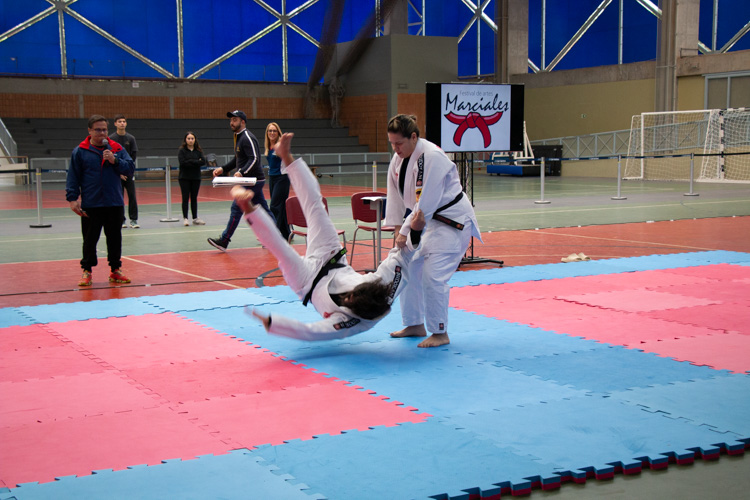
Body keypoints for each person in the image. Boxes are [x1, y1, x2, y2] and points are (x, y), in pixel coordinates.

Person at [242, 132, 426, 341]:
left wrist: (272, 323)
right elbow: (403, 258)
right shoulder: (384, 286)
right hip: (332, 258)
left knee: (281, 250)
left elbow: (310, 332)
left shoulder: (353, 323)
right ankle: (286, 156)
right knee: (315, 206)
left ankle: (247, 208)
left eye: (349, 301)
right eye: (353, 293)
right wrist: (416, 230)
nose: (347, 296)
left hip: (306, 281)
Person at [384, 114, 482, 348]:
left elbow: (426, 201)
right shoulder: (398, 159)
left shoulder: (433, 157)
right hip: (425, 221)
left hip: (452, 223)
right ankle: (414, 323)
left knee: (433, 276)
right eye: (392, 144)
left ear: (414, 137)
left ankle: (440, 332)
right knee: (408, 267)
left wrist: (406, 231)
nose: (395, 148)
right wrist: (397, 228)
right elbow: (395, 197)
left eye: (399, 143)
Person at [66, 115, 135, 287]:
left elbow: (130, 168)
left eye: (104, 129)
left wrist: (115, 160)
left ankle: (115, 270)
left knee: (115, 238)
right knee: (90, 240)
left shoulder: (116, 148)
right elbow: (73, 176)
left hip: (114, 202)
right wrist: (72, 199)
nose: (102, 133)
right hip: (91, 203)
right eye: (98, 130)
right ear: (90, 131)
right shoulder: (80, 151)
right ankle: (87, 270)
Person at [208, 110, 273, 251]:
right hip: (249, 180)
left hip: (252, 180)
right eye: (231, 120)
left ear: (242, 122)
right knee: (263, 209)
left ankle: (224, 240)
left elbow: (254, 159)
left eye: (235, 120)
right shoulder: (238, 137)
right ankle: (275, 237)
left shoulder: (247, 137)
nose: (231, 122)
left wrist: (241, 172)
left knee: (236, 207)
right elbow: (237, 159)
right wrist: (223, 169)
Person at [109, 114, 139, 228]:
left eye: (123, 121)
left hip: (128, 173)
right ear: (115, 124)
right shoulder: (111, 139)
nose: (122, 123)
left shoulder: (131, 138)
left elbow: (133, 156)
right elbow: (111, 157)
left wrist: (127, 170)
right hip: (116, 174)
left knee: (132, 196)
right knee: (118, 197)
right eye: (119, 121)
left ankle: (134, 220)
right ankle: (121, 219)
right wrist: (119, 172)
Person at [265, 122, 290, 240]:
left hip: (282, 178)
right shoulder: (268, 147)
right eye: (270, 130)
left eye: (274, 131)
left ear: (278, 132)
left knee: (274, 206)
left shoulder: (280, 145)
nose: (272, 133)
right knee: (281, 206)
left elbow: (287, 158)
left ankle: (273, 234)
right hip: (272, 178)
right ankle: (286, 233)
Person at [177, 131, 206, 226]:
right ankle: (185, 218)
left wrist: (190, 161)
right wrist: (196, 161)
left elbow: (203, 162)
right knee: (185, 198)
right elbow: (183, 163)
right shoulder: (182, 151)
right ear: (185, 140)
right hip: (184, 178)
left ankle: (195, 218)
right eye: (188, 138)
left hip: (196, 177)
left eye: (192, 138)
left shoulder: (198, 151)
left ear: (195, 140)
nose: (190, 140)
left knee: (194, 198)